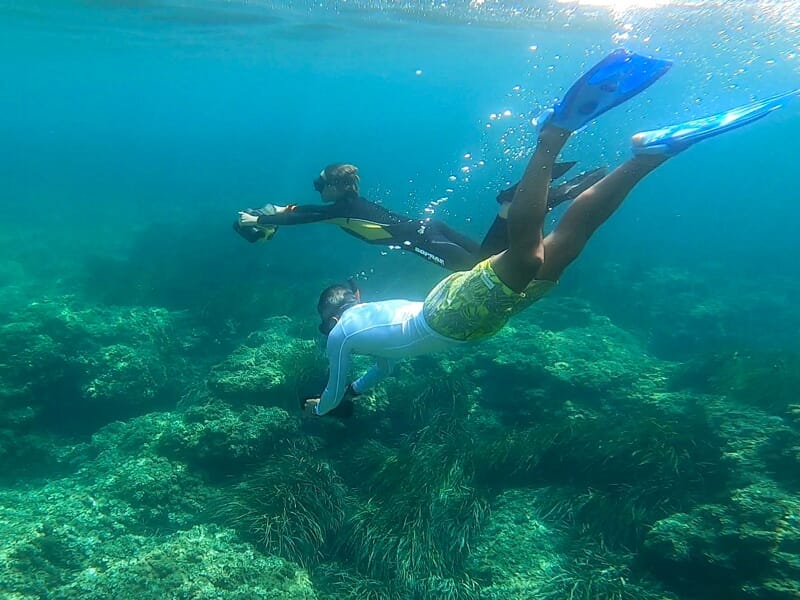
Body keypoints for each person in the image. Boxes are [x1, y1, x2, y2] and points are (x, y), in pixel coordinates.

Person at [300, 48, 799, 417]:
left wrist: (316, 410)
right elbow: (370, 375)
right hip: (467, 321)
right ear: (350, 298)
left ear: (332, 315)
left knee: (529, 255)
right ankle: (649, 155)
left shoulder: (340, 338)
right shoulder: (358, 330)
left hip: (449, 315)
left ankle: (551, 138)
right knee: (569, 243)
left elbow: (332, 388)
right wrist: (358, 392)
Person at [235, 162, 607, 272]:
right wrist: (272, 212)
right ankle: (515, 205)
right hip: (430, 228)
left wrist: (260, 222)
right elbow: (304, 211)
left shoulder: (340, 211)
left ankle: (514, 205)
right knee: (490, 258)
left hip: (420, 239)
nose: (318, 190)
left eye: (321, 185)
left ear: (335, 188)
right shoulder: (345, 205)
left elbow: (301, 218)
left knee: (481, 269)